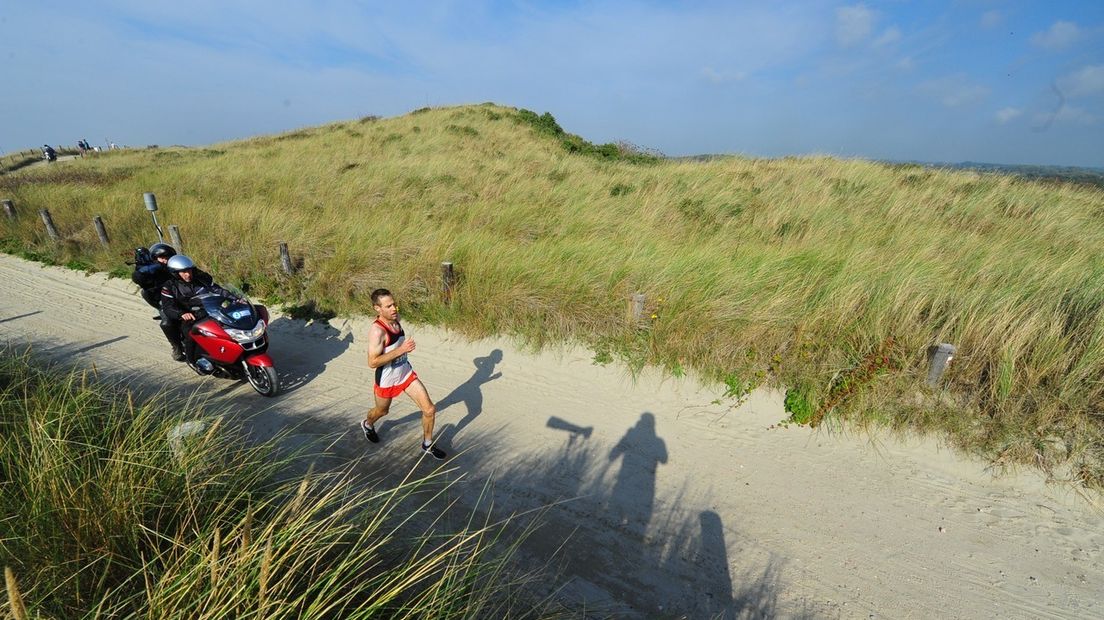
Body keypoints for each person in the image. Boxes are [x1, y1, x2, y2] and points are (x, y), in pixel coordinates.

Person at [361, 289, 446, 460]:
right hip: (387, 379)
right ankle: (368, 424)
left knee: (429, 409)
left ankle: (427, 444)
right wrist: (401, 350)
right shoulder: (377, 331)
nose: (394, 308)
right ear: (377, 308)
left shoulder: (396, 319)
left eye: (394, 304)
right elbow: (372, 362)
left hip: (405, 373)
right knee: (382, 411)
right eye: (389, 306)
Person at [160, 255, 233, 366]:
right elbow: (168, 306)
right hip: (190, 316)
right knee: (190, 333)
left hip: (210, 310)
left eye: (189, 270)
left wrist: (235, 298)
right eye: (183, 272)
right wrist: (182, 313)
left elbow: (219, 290)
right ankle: (192, 360)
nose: (188, 274)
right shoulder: (169, 287)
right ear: (175, 273)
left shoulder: (202, 279)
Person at [131, 243, 182, 359]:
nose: (165, 260)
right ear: (154, 259)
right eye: (162, 258)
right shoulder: (152, 271)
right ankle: (176, 347)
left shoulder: (177, 266)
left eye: (167, 257)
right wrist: (151, 268)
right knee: (167, 322)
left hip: (184, 295)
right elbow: (138, 277)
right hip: (165, 301)